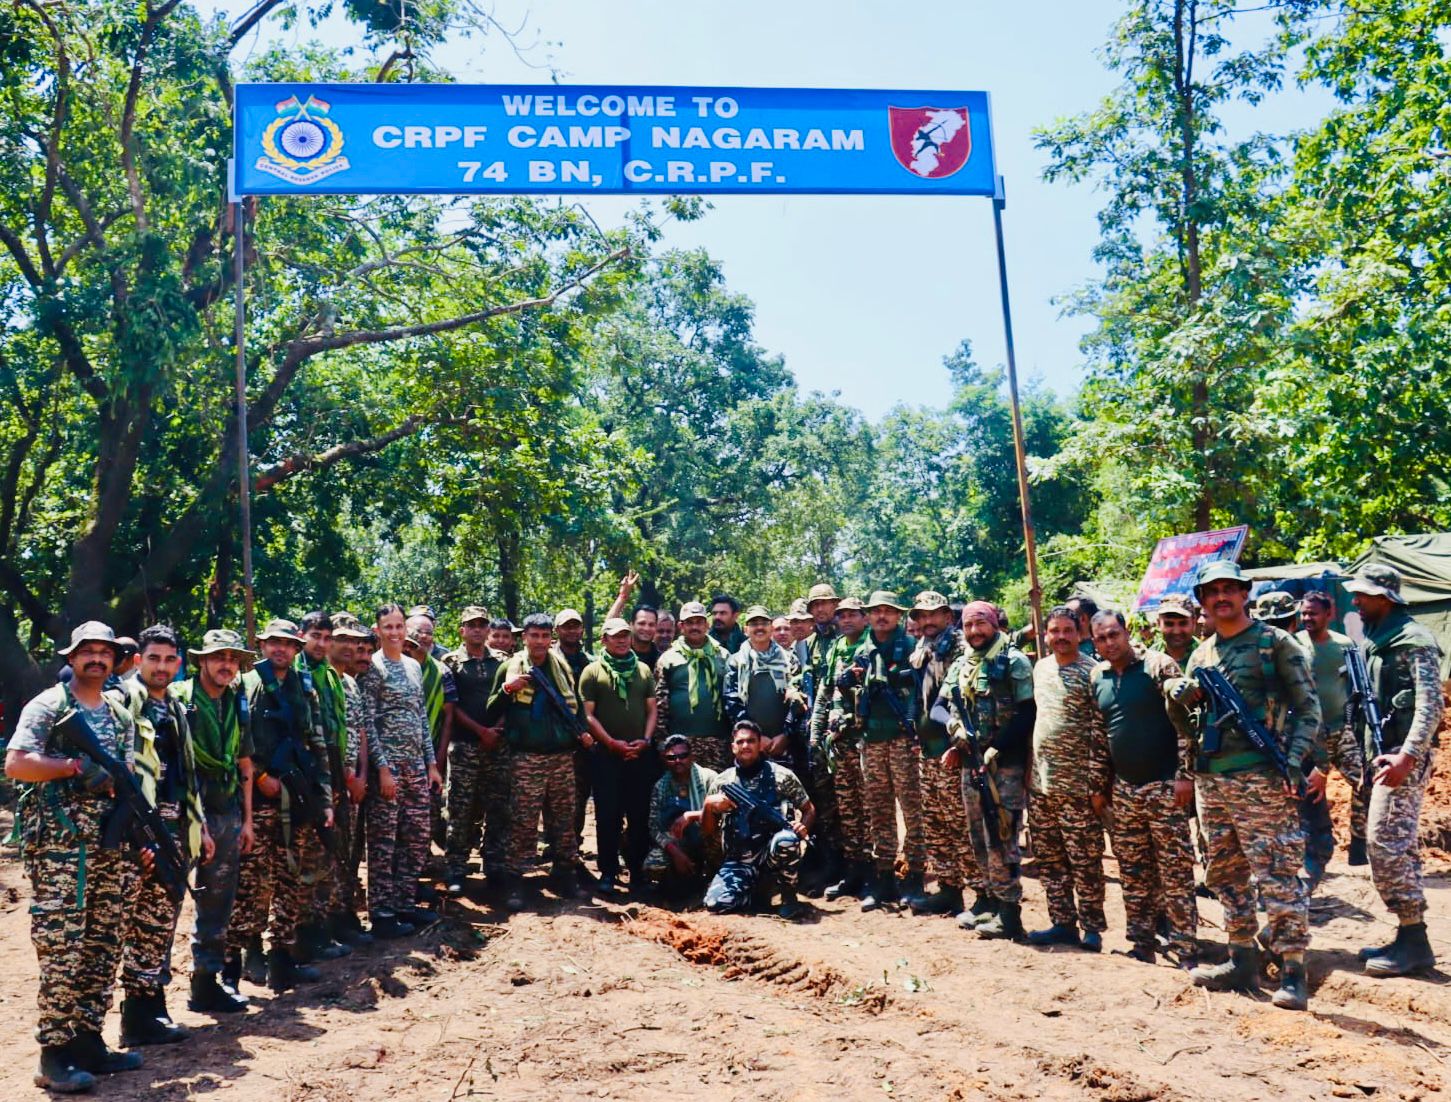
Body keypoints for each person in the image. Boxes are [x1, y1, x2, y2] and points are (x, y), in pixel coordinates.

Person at [1168, 560, 1321, 1011]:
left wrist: (1293, 763)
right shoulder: (1202, 654)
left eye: (1229, 589)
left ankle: (1294, 969)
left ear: (1244, 593)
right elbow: (1188, 726)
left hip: (1261, 778)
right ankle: (1241, 959)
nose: (1221, 597)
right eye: (1211, 591)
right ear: (1202, 602)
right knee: (1225, 873)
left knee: (1277, 872)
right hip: (1211, 780)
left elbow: (1309, 710)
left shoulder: (1275, 644)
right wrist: (1177, 697)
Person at [7, 622, 146, 1091]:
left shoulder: (119, 713)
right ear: (71, 658)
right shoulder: (49, 706)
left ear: (114, 661)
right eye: (86, 652)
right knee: (63, 948)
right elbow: (17, 763)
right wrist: (71, 766)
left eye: (104, 653)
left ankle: (88, 1042)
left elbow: (124, 775)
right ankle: (54, 1054)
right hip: (62, 851)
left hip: (109, 847)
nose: (96, 659)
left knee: (103, 945)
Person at [112, 625, 210, 1048]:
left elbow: (189, 774)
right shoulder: (123, 703)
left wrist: (199, 826)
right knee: (132, 924)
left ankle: (149, 1008)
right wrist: (138, 839)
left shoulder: (174, 707)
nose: (162, 667)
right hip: (139, 830)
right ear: (139, 661)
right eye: (154, 659)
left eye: (170, 660)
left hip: (175, 827)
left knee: (160, 921)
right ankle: (134, 1016)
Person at [1346, 565, 1444, 977]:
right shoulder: (1375, 639)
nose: (1355, 601)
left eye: (1363, 595)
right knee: (1396, 845)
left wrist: (1407, 757)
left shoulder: (1414, 640)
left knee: (1384, 843)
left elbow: (1430, 705)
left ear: (1384, 597)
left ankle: (1415, 938)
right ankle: (1408, 936)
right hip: (1381, 755)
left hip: (1403, 759)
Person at [230, 618, 336, 992]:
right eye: (273, 642)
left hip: (297, 794)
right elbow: (236, 743)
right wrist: (260, 776)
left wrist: (323, 798)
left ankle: (282, 956)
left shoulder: (305, 687)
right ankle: (250, 952)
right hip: (256, 799)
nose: (280, 649)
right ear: (261, 645)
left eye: (287, 644)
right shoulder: (243, 685)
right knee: (255, 883)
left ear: (296, 649)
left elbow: (317, 743)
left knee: (292, 879)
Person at [1090, 610, 1199, 966]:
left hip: (1165, 786)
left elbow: (1186, 725)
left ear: (1126, 633)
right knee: (1133, 870)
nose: (1110, 642)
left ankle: (1185, 946)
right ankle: (1141, 942)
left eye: (1114, 634)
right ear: (1094, 642)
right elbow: (1099, 736)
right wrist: (1098, 786)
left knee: (1175, 870)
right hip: (1125, 789)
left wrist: (1185, 775)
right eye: (1102, 638)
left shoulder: (1158, 667)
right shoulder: (1098, 676)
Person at [933, 601, 1036, 940]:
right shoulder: (962, 664)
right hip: (970, 762)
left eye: (981, 625)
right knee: (978, 836)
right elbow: (938, 707)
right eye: (968, 626)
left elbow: (1026, 714)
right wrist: (954, 727)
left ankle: (1010, 915)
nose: (975, 632)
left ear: (994, 625)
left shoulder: (1013, 661)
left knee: (1002, 837)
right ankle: (990, 904)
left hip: (1003, 766)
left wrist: (997, 748)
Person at [488, 612, 592, 911]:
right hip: (526, 757)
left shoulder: (562, 667)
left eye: (545, 636)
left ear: (552, 638)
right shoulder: (510, 667)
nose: (539, 642)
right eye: (534, 635)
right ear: (524, 637)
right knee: (522, 821)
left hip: (561, 756)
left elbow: (576, 705)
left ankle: (565, 874)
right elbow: (490, 709)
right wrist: (509, 689)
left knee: (563, 819)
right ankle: (516, 881)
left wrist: (582, 732)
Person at [176, 629, 256, 1016]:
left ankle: (205, 984)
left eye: (233, 659)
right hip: (182, 814)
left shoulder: (236, 702)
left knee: (218, 901)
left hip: (226, 811)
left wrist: (247, 820)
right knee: (164, 906)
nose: (227, 665)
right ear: (201, 661)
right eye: (218, 657)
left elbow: (244, 761)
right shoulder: (180, 701)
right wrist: (197, 823)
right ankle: (146, 1000)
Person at [1025, 606, 1111, 951]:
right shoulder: (1041, 668)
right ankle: (1061, 922)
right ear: (1045, 635)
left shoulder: (1093, 672)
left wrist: (1096, 785)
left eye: (1067, 631)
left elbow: (1101, 733)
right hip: (1041, 784)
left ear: (1081, 634)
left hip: (1078, 786)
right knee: (1050, 858)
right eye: (1053, 631)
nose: (1060, 637)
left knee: (1085, 859)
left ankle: (1092, 927)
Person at [358, 605, 442, 939]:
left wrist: (431, 764)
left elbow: (421, 717)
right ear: (378, 630)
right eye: (387, 627)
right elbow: (368, 722)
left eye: (399, 626)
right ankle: (382, 913)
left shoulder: (412, 666)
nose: (394, 633)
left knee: (417, 837)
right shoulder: (373, 669)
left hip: (415, 768)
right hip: (388, 770)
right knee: (384, 842)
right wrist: (382, 768)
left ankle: (405, 902)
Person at [846, 591, 925, 911]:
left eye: (888, 612)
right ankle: (884, 878)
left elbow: (919, 690)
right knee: (878, 808)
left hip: (903, 738)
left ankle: (915, 876)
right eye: (876, 611)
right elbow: (848, 689)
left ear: (898, 616)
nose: (881, 617)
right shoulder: (861, 649)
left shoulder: (909, 647)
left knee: (911, 808)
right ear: (867, 616)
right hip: (872, 739)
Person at [905, 590, 981, 917]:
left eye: (934, 614)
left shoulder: (962, 649)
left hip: (955, 749)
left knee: (961, 823)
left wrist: (959, 742)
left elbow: (968, 699)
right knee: (935, 822)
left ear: (948, 617)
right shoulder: (923, 650)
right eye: (921, 616)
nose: (927, 621)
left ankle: (983, 895)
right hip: (929, 749)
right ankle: (950, 889)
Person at [1255, 590, 1335, 896]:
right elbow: (1312, 714)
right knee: (1315, 837)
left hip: (1262, 762)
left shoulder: (1244, 655)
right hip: (1296, 759)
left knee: (1267, 836)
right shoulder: (1298, 654)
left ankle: (1273, 898)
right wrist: (1323, 766)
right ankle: (1292, 898)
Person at [702, 720, 815, 919]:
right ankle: (753, 894)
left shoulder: (782, 776)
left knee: (786, 840)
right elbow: (708, 831)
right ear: (733, 746)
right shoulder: (723, 781)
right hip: (740, 859)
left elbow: (808, 809)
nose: (746, 746)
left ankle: (789, 896)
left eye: (751, 741)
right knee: (715, 904)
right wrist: (708, 805)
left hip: (772, 856)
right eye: (741, 741)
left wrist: (802, 826)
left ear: (759, 744)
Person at [580, 617, 659, 894]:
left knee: (639, 815)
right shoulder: (592, 672)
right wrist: (612, 743)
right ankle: (608, 872)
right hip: (606, 756)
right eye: (615, 636)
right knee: (608, 815)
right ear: (604, 639)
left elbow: (652, 710)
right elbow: (588, 715)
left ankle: (637, 872)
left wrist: (646, 741)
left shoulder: (643, 670)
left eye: (625, 635)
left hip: (639, 755)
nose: (622, 639)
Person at [295, 611, 353, 964]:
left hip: (331, 768)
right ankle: (303, 937)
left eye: (325, 637)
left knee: (330, 854)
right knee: (306, 859)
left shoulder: (330, 676)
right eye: (315, 636)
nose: (321, 643)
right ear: (303, 636)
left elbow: (337, 727)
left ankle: (322, 929)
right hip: (305, 773)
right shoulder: (296, 674)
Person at [1296, 590, 1369, 867]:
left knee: (1366, 782)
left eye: (1313, 613)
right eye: (1303, 613)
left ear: (1329, 614)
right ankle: (1311, 855)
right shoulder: (1294, 646)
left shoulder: (1344, 645)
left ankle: (1359, 846)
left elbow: (1357, 687)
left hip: (1342, 731)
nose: (1307, 618)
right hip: (1310, 736)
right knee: (1311, 794)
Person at [441, 606, 510, 894]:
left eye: (482, 625)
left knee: (498, 807)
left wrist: (497, 730)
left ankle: (493, 866)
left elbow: (511, 698)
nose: (478, 630)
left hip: (499, 746)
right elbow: (450, 708)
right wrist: (481, 732)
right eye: (472, 625)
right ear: (462, 630)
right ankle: (456, 867)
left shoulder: (504, 660)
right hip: (465, 747)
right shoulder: (451, 662)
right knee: (461, 810)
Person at [811, 596, 873, 901]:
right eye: (842, 615)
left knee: (871, 810)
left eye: (853, 615)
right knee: (848, 810)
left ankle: (876, 874)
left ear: (864, 618)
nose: (846, 620)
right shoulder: (836, 647)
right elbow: (825, 693)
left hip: (866, 741)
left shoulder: (871, 646)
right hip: (839, 744)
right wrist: (815, 735)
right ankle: (854, 871)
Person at [325, 616, 372, 946]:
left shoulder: (352, 683)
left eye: (353, 639)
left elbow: (361, 733)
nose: (348, 645)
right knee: (328, 856)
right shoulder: (321, 681)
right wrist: (347, 777)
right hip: (330, 782)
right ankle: (328, 922)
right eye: (340, 638)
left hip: (354, 781)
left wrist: (362, 776)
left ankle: (344, 915)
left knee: (348, 854)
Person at [724, 605, 805, 768]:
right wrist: (756, 737)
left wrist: (786, 735)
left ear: (771, 628)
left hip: (785, 744)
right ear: (746, 629)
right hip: (750, 744)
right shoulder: (735, 662)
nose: (759, 627)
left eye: (764, 623)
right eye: (754, 624)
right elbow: (731, 703)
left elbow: (799, 700)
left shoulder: (789, 660)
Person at [654, 601, 732, 771]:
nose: (694, 627)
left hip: (718, 743)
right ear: (681, 626)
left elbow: (732, 699)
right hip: (680, 745)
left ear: (707, 624)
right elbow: (659, 705)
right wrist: (662, 743)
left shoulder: (723, 656)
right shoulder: (668, 659)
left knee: (716, 793)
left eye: (699, 622)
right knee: (682, 793)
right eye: (689, 622)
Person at [642, 735, 718, 896]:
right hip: (679, 840)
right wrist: (675, 852)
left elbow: (725, 813)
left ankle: (712, 879)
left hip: (710, 838)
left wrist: (692, 816)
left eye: (683, 756)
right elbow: (654, 827)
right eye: (671, 757)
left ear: (691, 756)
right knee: (654, 864)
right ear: (665, 760)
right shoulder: (661, 786)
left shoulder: (709, 778)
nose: (678, 761)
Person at [552, 608, 596, 848]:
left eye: (575, 626)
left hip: (585, 741)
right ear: (557, 630)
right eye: (566, 626)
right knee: (555, 800)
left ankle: (572, 848)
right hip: (556, 740)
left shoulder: (589, 661)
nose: (572, 630)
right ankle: (554, 847)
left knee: (578, 797)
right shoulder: (547, 659)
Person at [1155, 595, 1199, 667]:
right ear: (1159, 623)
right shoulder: (1149, 660)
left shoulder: (1207, 657)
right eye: (1169, 624)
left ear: (1193, 622)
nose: (1176, 631)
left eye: (1183, 623)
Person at [628, 604, 663, 671]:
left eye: (651, 624)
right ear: (631, 625)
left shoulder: (661, 660)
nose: (647, 628)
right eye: (641, 623)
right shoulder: (621, 652)